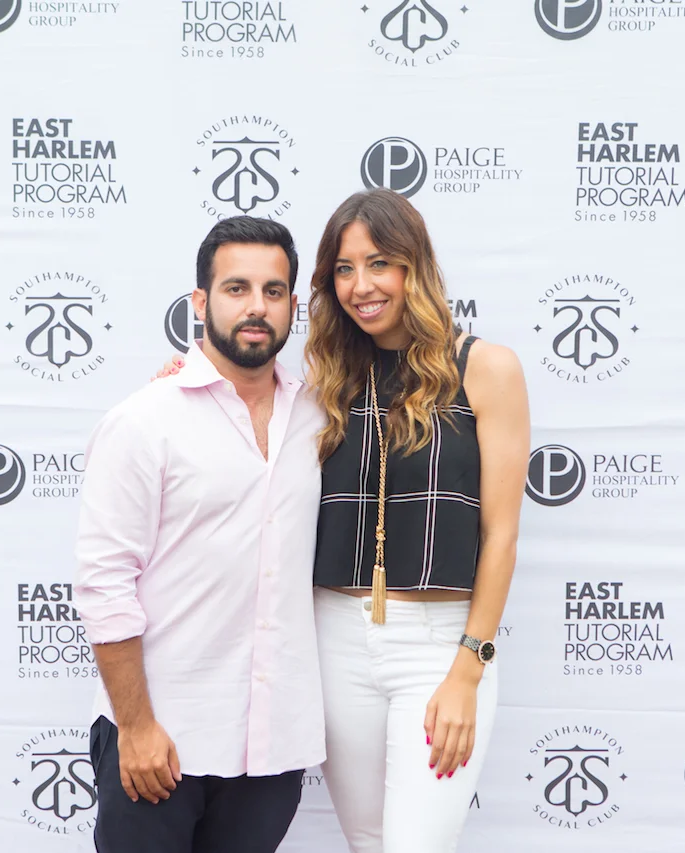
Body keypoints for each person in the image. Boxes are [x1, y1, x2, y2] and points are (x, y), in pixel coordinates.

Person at [161, 188, 529, 852]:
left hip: (437, 645)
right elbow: (236, 407)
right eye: (344, 269)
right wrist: (179, 383)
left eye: (379, 263)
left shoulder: (485, 369)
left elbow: (500, 534)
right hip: (331, 640)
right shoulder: (325, 382)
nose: (362, 286)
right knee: (368, 842)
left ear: (414, 266)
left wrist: (469, 667)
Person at [73, 216, 325, 853]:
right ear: (200, 302)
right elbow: (105, 583)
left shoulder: (321, 419)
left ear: (293, 306)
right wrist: (136, 727)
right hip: (161, 741)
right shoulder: (144, 422)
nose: (256, 307)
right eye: (237, 288)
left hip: (271, 752)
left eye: (273, 291)